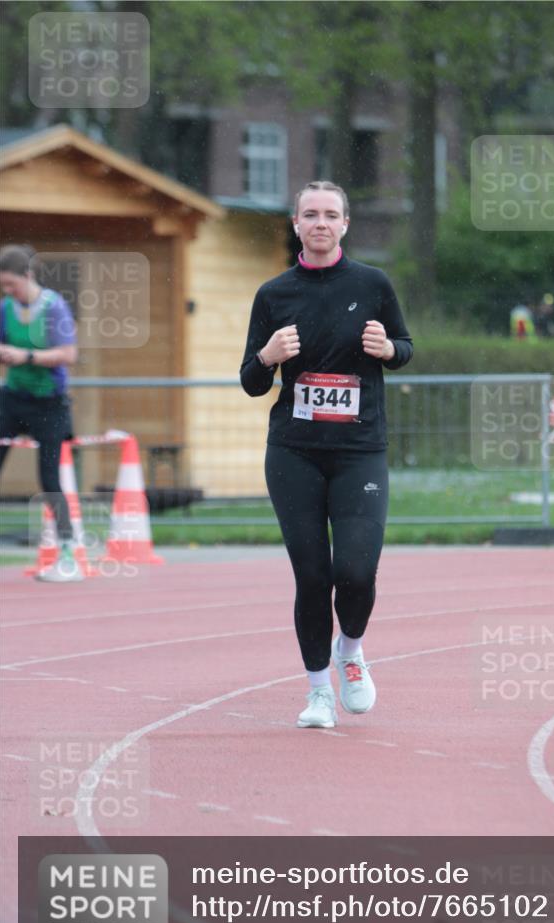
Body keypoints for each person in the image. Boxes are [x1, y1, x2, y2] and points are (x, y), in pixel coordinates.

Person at [240, 180, 413, 729]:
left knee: (356, 572)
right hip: (294, 451)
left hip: (359, 449)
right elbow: (249, 380)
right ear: (296, 224)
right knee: (312, 576)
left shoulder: (373, 283)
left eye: (330, 214)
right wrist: (267, 356)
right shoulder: (274, 294)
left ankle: (351, 651)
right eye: (310, 214)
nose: (320, 222)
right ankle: (318, 691)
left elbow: (405, 348)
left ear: (345, 224)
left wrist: (388, 349)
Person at [0, 244, 83, 582]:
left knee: (50, 480)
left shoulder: (53, 307)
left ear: (28, 276)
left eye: (12, 284)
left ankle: (67, 552)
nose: (8, 291)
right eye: (3, 286)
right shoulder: (4, 308)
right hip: (11, 398)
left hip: (49, 403)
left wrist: (26, 356)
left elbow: (68, 354)